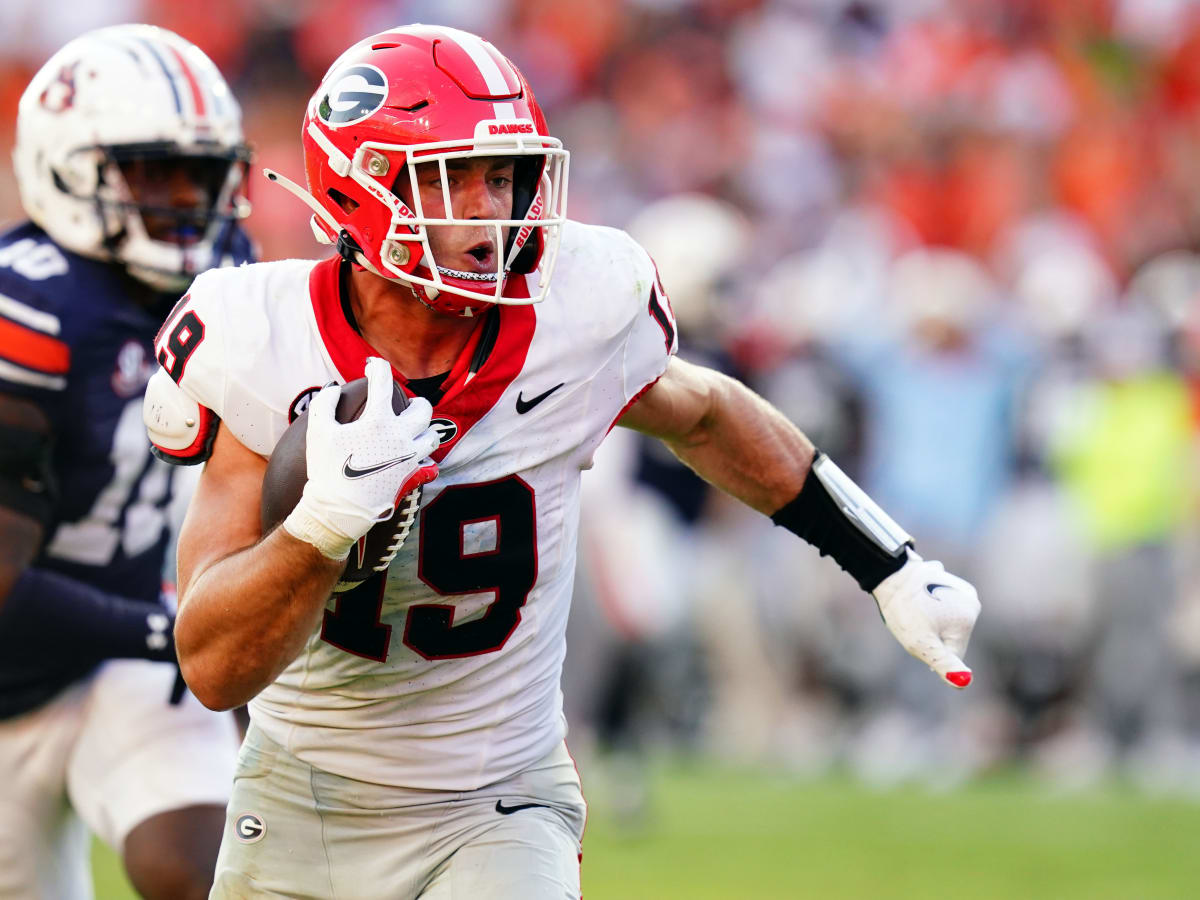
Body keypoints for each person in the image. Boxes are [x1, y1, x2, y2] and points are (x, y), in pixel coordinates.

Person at [146, 24, 980, 899]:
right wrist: (322, 527)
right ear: (362, 189)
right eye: (452, 178)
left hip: (498, 797)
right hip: (303, 792)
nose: (488, 211)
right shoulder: (258, 338)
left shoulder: (577, 307)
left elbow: (703, 414)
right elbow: (211, 669)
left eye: (501, 175)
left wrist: (888, 563)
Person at [0, 24, 254, 900]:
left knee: (200, 870)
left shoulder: (224, 277)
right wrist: (175, 634)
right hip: (51, 650)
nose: (187, 201)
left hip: (124, 652)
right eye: (154, 172)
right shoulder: (29, 309)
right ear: (68, 167)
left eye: (203, 173)